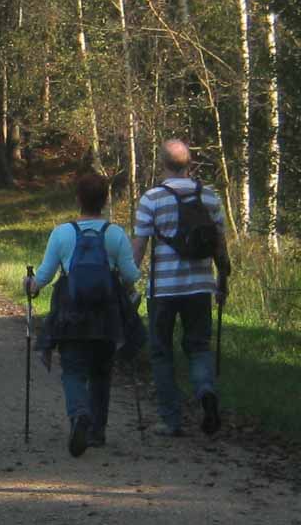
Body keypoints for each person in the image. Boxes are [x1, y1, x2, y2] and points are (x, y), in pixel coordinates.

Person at [24, 172, 140, 457]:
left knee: (73, 370)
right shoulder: (115, 233)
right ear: (105, 200)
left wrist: (30, 285)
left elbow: (44, 276)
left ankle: (79, 414)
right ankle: (97, 432)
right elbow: (131, 276)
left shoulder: (62, 233)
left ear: (78, 199)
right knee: (102, 372)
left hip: (70, 312)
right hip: (106, 315)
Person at [132, 139, 231, 438]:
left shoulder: (152, 198)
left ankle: (171, 421)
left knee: (161, 353)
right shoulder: (210, 197)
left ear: (162, 164)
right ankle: (205, 393)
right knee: (199, 347)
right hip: (200, 287)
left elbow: (138, 249)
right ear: (190, 164)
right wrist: (222, 283)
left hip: (163, 290)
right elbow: (221, 248)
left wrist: (126, 283)